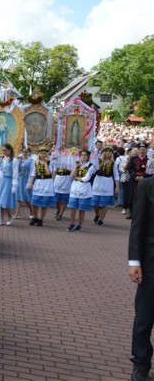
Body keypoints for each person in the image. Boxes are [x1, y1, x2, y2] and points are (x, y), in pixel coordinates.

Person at [128, 175, 154, 381]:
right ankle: (141, 365)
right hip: (151, 264)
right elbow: (137, 226)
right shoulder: (147, 185)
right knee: (144, 320)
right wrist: (134, 261)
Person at [66, 150, 96, 232]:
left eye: (85, 155)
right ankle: (72, 223)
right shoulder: (78, 164)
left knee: (81, 208)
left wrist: (76, 178)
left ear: (88, 156)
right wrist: (76, 166)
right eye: (82, 155)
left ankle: (79, 225)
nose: (83, 157)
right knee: (72, 207)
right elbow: (71, 175)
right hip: (75, 186)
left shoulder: (91, 166)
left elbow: (86, 179)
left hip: (85, 187)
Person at [27, 147, 55, 226]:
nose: (43, 155)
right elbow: (33, 174)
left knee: (44, 204)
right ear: (38, 154)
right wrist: (30, 183)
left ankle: (41, 219)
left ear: (46, 154)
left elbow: (49, 173)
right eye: (41, 153)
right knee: (34, 202)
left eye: (44, 153)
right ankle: (35, 217)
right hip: (38, 182)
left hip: (47, 183)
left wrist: (45, 163)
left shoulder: (50, 162)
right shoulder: (35, 163)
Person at [92, 147, 118, 226]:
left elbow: (116, 175)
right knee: (94, 203)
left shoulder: (113, 163)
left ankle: (101, 219)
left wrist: (117, 187)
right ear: (103, 153)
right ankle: (97, 214)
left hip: (107, 182)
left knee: (104, 203)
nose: (108, 153)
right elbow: (92, 170)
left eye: (110, 151)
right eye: (106, 151)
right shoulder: (98, 161)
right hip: (98, 181)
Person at [125, 144, 149, 219]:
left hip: (145, 180)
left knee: (144, 196)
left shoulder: (149, 159)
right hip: (134, 180)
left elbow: (150, 170)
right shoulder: (133, 158)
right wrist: (135, 176)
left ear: (146, 150)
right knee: (132, 196)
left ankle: (143, 214)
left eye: (143, 150)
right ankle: (131, 212)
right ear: (138, 150)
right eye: (141, 149)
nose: (142, 151)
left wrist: (143, 177)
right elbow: (129, 168)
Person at [0, 144, 18, 225]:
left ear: (10, 150)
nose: (4, 152)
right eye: (3, 150)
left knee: (4, 202)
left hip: (8, 181)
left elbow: (15, 173)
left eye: (5, 150)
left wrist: (14, 185)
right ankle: (1, 219)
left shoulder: (14, 160)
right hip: (1, 181)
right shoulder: (1, 159)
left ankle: (10, 216)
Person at [14, 148, 33, 219]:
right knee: (18, 198)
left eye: (26, 152)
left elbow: (32, 171)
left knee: (27, 198)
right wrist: (17, 160)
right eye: (23, 151)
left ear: (29, 153)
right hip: (19, 180)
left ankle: (32, 212)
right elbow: (15, 168)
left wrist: (31, 181)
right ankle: (17, 214)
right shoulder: (19, 160)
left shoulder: (31, 161)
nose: (24, 153)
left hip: (26, 180)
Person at [53, 157, 74, 221]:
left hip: (66, 179)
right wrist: (53, 181)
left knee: (65, 199)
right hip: (58, 178)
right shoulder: (57, 160)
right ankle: (58, 210)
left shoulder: (70, 160)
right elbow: (54, 171)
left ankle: (61, 214)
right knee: (56, 199)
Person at [116, 147, 128, 211]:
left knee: (121, 188)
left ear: (118, 152)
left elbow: (116, 165)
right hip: (126, 173)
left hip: (120, 173)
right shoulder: (126, 157)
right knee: (124, 188)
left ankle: (120, 202)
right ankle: (124, 202)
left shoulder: (118, 158)